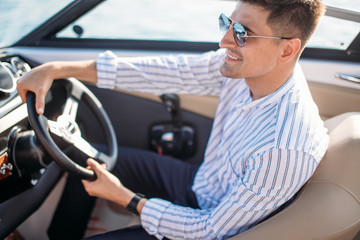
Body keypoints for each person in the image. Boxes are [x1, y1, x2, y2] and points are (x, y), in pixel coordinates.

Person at [16, 0, 329, 239]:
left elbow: (210, 230)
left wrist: (126, 199)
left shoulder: (284, 148)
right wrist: (58, 69)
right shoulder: (245, 70)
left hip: (204, 222)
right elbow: (163, 71)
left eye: (243, 34)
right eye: (227, 23)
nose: (225, 41)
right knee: (83, 160)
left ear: (287, 50)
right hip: (201, 183)